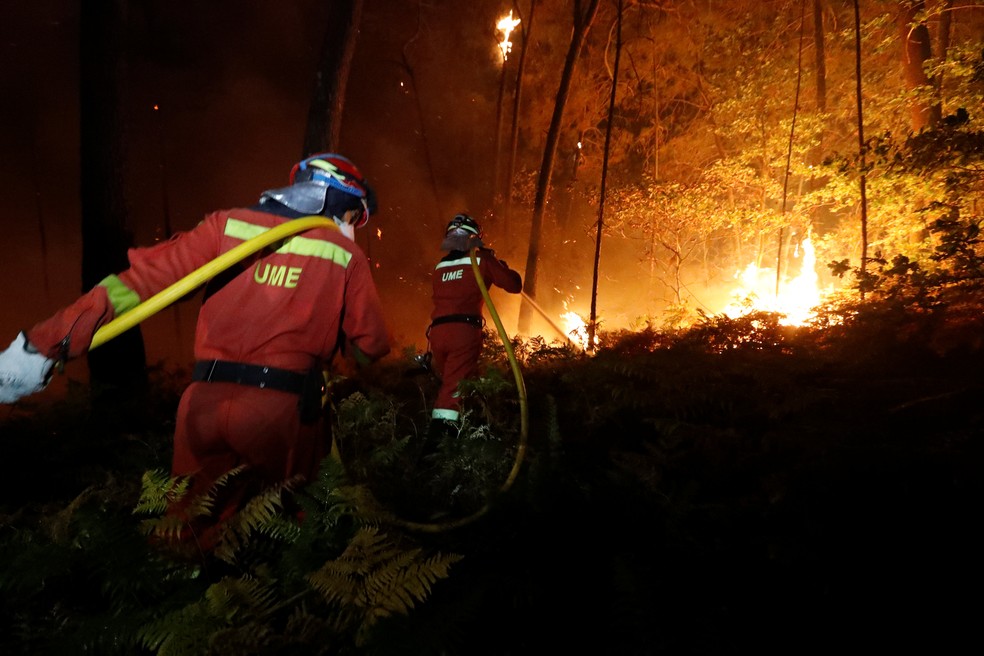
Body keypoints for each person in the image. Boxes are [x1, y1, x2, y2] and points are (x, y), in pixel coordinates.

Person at [0, 152, 391, 541]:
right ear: (342, 200)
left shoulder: (227, 224)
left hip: (202, 407)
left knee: (186, 533)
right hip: (284, 413)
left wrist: (43, 344)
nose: (352, 227)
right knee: (295, 536)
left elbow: (137, 284)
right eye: (355, 217)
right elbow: (370, 345)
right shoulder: (345, 254)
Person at [424, 213, 522, 444]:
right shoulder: (481, 261)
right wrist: (495, 263)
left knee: (452, 382)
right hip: (463, 333)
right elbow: (514, 285)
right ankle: (438, 447)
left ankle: (468, 428)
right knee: (452, 393)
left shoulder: (440, 266)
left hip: (437, 334)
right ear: (474, 238)